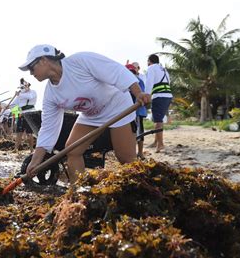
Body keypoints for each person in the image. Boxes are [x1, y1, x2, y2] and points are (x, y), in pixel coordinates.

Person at [21, 45, 150, 183]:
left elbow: (115, 71)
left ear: (43, 60)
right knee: (72, 150)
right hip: (91, 116)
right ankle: (77, 191)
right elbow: (48, 128)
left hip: (117, 107)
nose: (30, 73)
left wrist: (138, 93)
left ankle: (142, 190)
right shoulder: (50, 95)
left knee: (126, 159)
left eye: (31, 68)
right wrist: (35, 161)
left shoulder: (80, 62)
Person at [145, 54, 173, 153]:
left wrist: (147, 95)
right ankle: (156, 142)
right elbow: (168, 82)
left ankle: (160, 144)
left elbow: (149, 82)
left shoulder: (151, 68)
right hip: (168, 96)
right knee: (158, 119)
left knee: (158, 121)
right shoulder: (164, 69)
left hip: (159, 96)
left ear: (149, 61)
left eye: (147, 61)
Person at [126, 63, 148, 159]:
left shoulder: (138, 81)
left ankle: (139, 152)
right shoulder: (124, 81)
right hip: (128, 112)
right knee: (130, 132)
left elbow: (141, 95)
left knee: (138, 132)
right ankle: (134, 152)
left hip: (137, 111)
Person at [13, 78, 37, 152]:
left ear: (28, 86)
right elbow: (14, 104)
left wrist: (19, 94)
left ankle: (31, 150)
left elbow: (29, 97)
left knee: (29, 133)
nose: (23, 89)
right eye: (22, 87)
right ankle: (16, 149)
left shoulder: (33, 92)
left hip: (30, 114)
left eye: (24, 87)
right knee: (19, 133)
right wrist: (5, 106)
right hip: (21, 114)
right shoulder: (20, 94)